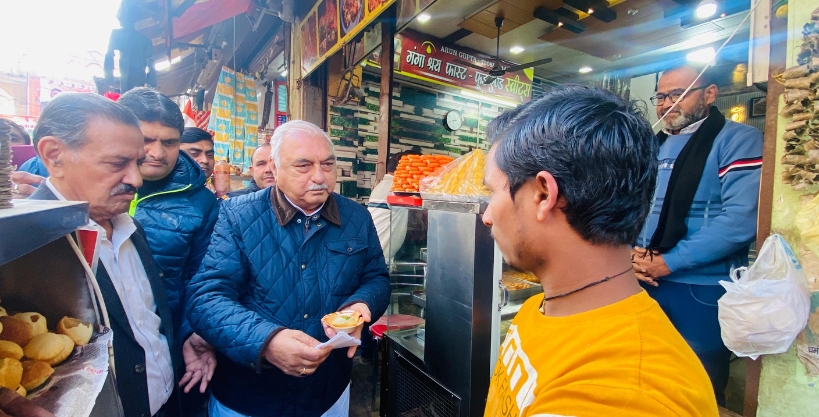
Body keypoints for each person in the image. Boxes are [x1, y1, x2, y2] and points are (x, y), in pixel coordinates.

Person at [482, 85, 718, 416]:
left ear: (543, 194)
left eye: (493, 192)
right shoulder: (540, 308)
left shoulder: (630, 394)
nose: (487, 216)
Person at [186, 120, 391, 417]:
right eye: (303, 166)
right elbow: (206, 298)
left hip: (329, 393)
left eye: (328, 164)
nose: (319, 176)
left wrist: (362, 303)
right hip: (250, 397)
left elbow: (376, 278)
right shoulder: (237, 215)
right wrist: (266, 341)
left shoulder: (356, 216)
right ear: (274, 166)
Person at [25, 93, 207, 416]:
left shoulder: (129, 227)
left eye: (136, 163)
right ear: (54, 156)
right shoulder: (23, 245)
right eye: (117, 163)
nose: (136, 179)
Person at [633, 65, 763, 405]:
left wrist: (670, 262)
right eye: (661, 96)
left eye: (678, 93)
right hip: (642, 280)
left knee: (697, 383)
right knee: (641, 374)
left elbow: (740, 220)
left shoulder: (738, 139)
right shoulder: (652, 145)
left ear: (709, 93)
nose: (667, 104)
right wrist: (626, 254)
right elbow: (632, 205)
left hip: (701, 290)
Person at [118, 88, 219, 337]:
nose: (157, 153)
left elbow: (203, 280)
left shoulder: (202, 203)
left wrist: (188, 335)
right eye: (146, 140)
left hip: (165, 336)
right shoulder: (87, 186)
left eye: (169, 142)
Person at [366, 150, 418, 261]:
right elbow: (428, 201)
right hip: (378, 261)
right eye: (415, 168)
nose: (418, 175)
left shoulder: (384, 185)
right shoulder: (395, 188)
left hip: (376, 257)